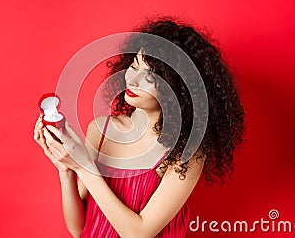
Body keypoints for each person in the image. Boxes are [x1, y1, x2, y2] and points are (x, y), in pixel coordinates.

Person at [33, 17, 245, 238]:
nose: (133, 79)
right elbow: (78, 229)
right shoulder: (100, 130)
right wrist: (66, 169)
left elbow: (139, 234)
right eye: (134, 65)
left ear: (178, 90)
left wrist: (84, 167)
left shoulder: (186, 154)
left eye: (150, 77)